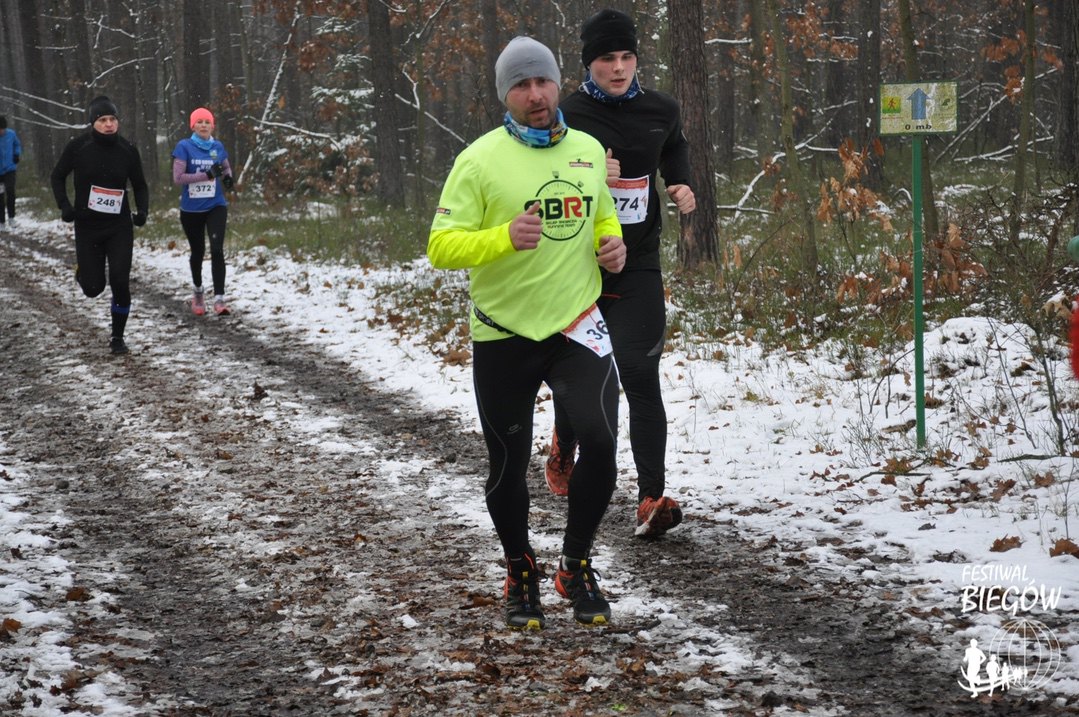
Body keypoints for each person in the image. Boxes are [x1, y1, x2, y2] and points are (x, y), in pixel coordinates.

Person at [427, 36, 626, 630]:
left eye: (542, 81)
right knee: (507, 463)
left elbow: (602, 212)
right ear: (505, 94)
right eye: (521, 85)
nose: (535, 95)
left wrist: (611, 243)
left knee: (602, 443)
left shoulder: (587, 150)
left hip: (576, 324)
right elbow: (440, 247)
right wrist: (501, 238)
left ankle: (575, 564)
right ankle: (520, 568)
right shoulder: (479, 160)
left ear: (557, 84)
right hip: (503, 332)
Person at [546, 8, 696, 539]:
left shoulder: (661, 108)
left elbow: (674, 145)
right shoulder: (567, 115)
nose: (618, 68)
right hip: (578, 265)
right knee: (584, 377)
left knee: (639, 373)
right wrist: (587, 172)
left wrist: (679, 181)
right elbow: (542, 179)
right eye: (607, 58)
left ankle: (651, 497)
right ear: (589, 63)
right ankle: (565, 441)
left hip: (638, 262)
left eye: (627, 56)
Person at [50, 96, 149, 355]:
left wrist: (142, 211)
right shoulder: (78, 147)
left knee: (120, 280)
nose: (108, 124)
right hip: (88, 227)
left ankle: (117, 337)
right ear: (93, 122)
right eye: (102, 120)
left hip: (119, 226)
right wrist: (65, 206)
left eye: (112, 119)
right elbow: (57, 176)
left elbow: (140, 184)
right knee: (94, 289)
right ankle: (83, 273)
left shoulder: (127, 150)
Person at [172, 107, 235, 316]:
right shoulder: (184, 147)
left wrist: (227, 178)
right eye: (199, 122)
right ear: (193, 126)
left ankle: (219, 298)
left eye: (207, 122)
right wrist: (207, 175)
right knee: (198, 251)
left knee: (217, 249)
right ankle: (198, 292)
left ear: (212, 126)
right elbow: (178, 178)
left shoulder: (217, 147)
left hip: (216, 205)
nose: (203, 125)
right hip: (191, 210)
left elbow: (225, 167)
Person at [0, 115, 21, 226]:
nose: (1, 131)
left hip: (10, 169)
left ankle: (11, 217)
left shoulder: (11, 134)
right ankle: (1, 221)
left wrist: (16, 154)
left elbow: (17, 145)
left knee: (10, 191)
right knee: (0, 195)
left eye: (2, 129)